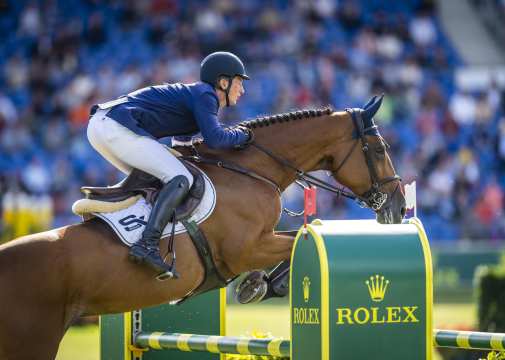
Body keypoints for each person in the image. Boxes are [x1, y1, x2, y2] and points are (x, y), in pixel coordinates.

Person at [86, 51, 252, 279]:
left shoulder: (199, 99)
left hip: (102, 126)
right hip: (115, 125)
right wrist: (244, 136)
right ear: (224, 82)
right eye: (239, 82)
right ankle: (147, 244)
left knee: (163, 180)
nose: (242, 90)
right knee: (180, 179)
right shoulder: (206, 95)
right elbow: (215, 139)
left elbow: (183, 148)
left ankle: (128, 237)